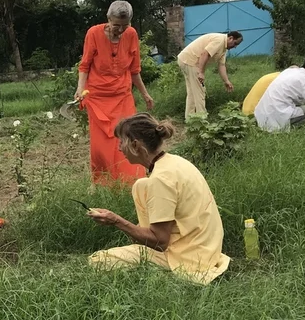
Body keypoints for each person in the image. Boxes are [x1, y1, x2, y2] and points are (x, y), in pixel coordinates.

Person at [86, 113, 231, 285]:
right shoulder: (175, 162)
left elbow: (160, 242)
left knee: (98, 261)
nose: (119, 148)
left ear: (135, 145)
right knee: (141, 185)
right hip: (207, 248)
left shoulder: (161, 179)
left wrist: (116, 220)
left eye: (121, 142)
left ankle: (168, 272)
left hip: (189, 258)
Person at [74, 0, 154, 185]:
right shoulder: (93, 33)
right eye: (116, 25)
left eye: (125, 26)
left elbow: (134, 70)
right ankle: (105, 183)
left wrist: (145, 94)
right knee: (101, 147)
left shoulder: (131, 34)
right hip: (98, 98)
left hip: (122, 97)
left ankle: (133, 181)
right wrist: (80, 89)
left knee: (128, 138)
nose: (120, 30)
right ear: (108, 18)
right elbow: (84, 65)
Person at [254, 55, 305, 132]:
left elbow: (293, 66)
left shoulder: (290, 71)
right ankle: (292, 129)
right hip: (277, 116)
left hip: (261, 115)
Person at [177, 31, 244, 120]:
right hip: (190, 61)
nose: (235, 47)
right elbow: (205, 54)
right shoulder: (219, 40)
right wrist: (200, 72)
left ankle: (190, 119)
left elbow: (221, 65)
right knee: (200, 91)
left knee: (193, 93)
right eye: (235, 43)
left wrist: (226, 81)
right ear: (230, 38)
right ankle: (202, 121)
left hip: (186, 60)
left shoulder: (223, 47)